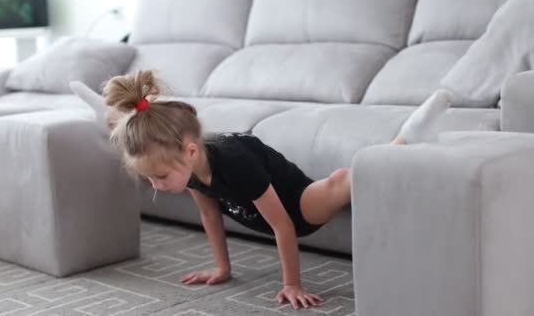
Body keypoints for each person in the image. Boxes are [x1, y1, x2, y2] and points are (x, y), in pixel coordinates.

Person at [69, 70, 453, 310]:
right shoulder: (189, 167)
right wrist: (222, 268)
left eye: (159, 177)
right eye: (150, 180)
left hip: (297, 206)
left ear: (189, 152)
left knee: (342, 181)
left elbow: (284, 227)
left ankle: (410, 136)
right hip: (248, 200)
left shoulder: (232, 160)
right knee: (142, 139)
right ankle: (110, 116)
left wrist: (292, 284)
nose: (156, 186)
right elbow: (209, 213)